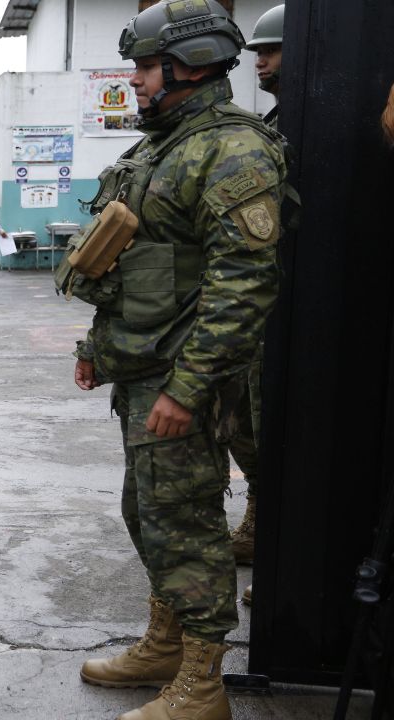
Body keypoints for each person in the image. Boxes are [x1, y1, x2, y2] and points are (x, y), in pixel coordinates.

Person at [69, 3, 286, 719]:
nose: (132, 79)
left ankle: (202, 685)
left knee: (187, 523)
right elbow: (130, 263)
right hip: (142, 372)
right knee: (150, 512)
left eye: (143, 65)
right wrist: (95, 350)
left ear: (188, 65)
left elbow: (242, 284)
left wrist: (187, 391)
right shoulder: (163, 146)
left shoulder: (234, 150)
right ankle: (164, 644)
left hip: (181, 381)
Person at [226, 2, 285, 607]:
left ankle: (276, 542)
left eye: (270, 51)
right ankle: (259, 523)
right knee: (247, 425)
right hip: (263, 316)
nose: (260, 62)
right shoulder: (274, 121)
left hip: (279, 307)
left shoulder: (303, 123)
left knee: (271, 430)